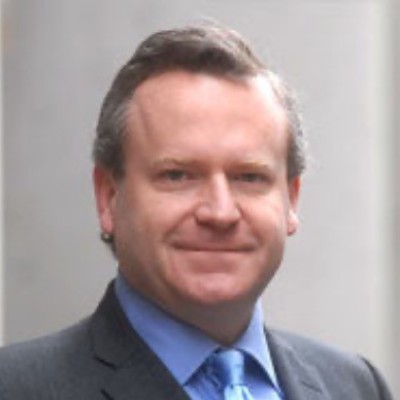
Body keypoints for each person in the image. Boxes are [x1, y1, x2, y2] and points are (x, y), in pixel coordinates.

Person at [0, 24, 393, 400]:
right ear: (109, 197)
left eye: (249, 177)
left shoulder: (356, 387)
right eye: (177, 175)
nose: (220, 212)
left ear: (291, 199)